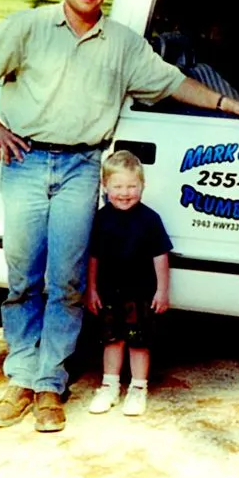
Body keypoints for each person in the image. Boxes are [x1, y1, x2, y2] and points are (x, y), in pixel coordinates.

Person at [0, 0, 239, 433]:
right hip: (26, 161)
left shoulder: (122, 44)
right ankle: (20, 376)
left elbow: (172, 82)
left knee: (65, 280)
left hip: (83, 165)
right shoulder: (30, 27)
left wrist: (227, 105)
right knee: (23, 275)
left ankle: (48, 385)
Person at [85, 150, 170, 417]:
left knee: (138, 342)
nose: (125, 193)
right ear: (105, 186)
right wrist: (92, 289)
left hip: (141, 294)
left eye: (132, 186)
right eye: (118, 186)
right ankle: (109, 386)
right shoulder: (100, 219)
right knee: (112, 340)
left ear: (143, 186)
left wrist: (162, 291)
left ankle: (138, 388)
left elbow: (161, 256)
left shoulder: (150, 220)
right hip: (109, 292)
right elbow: (93, 257)